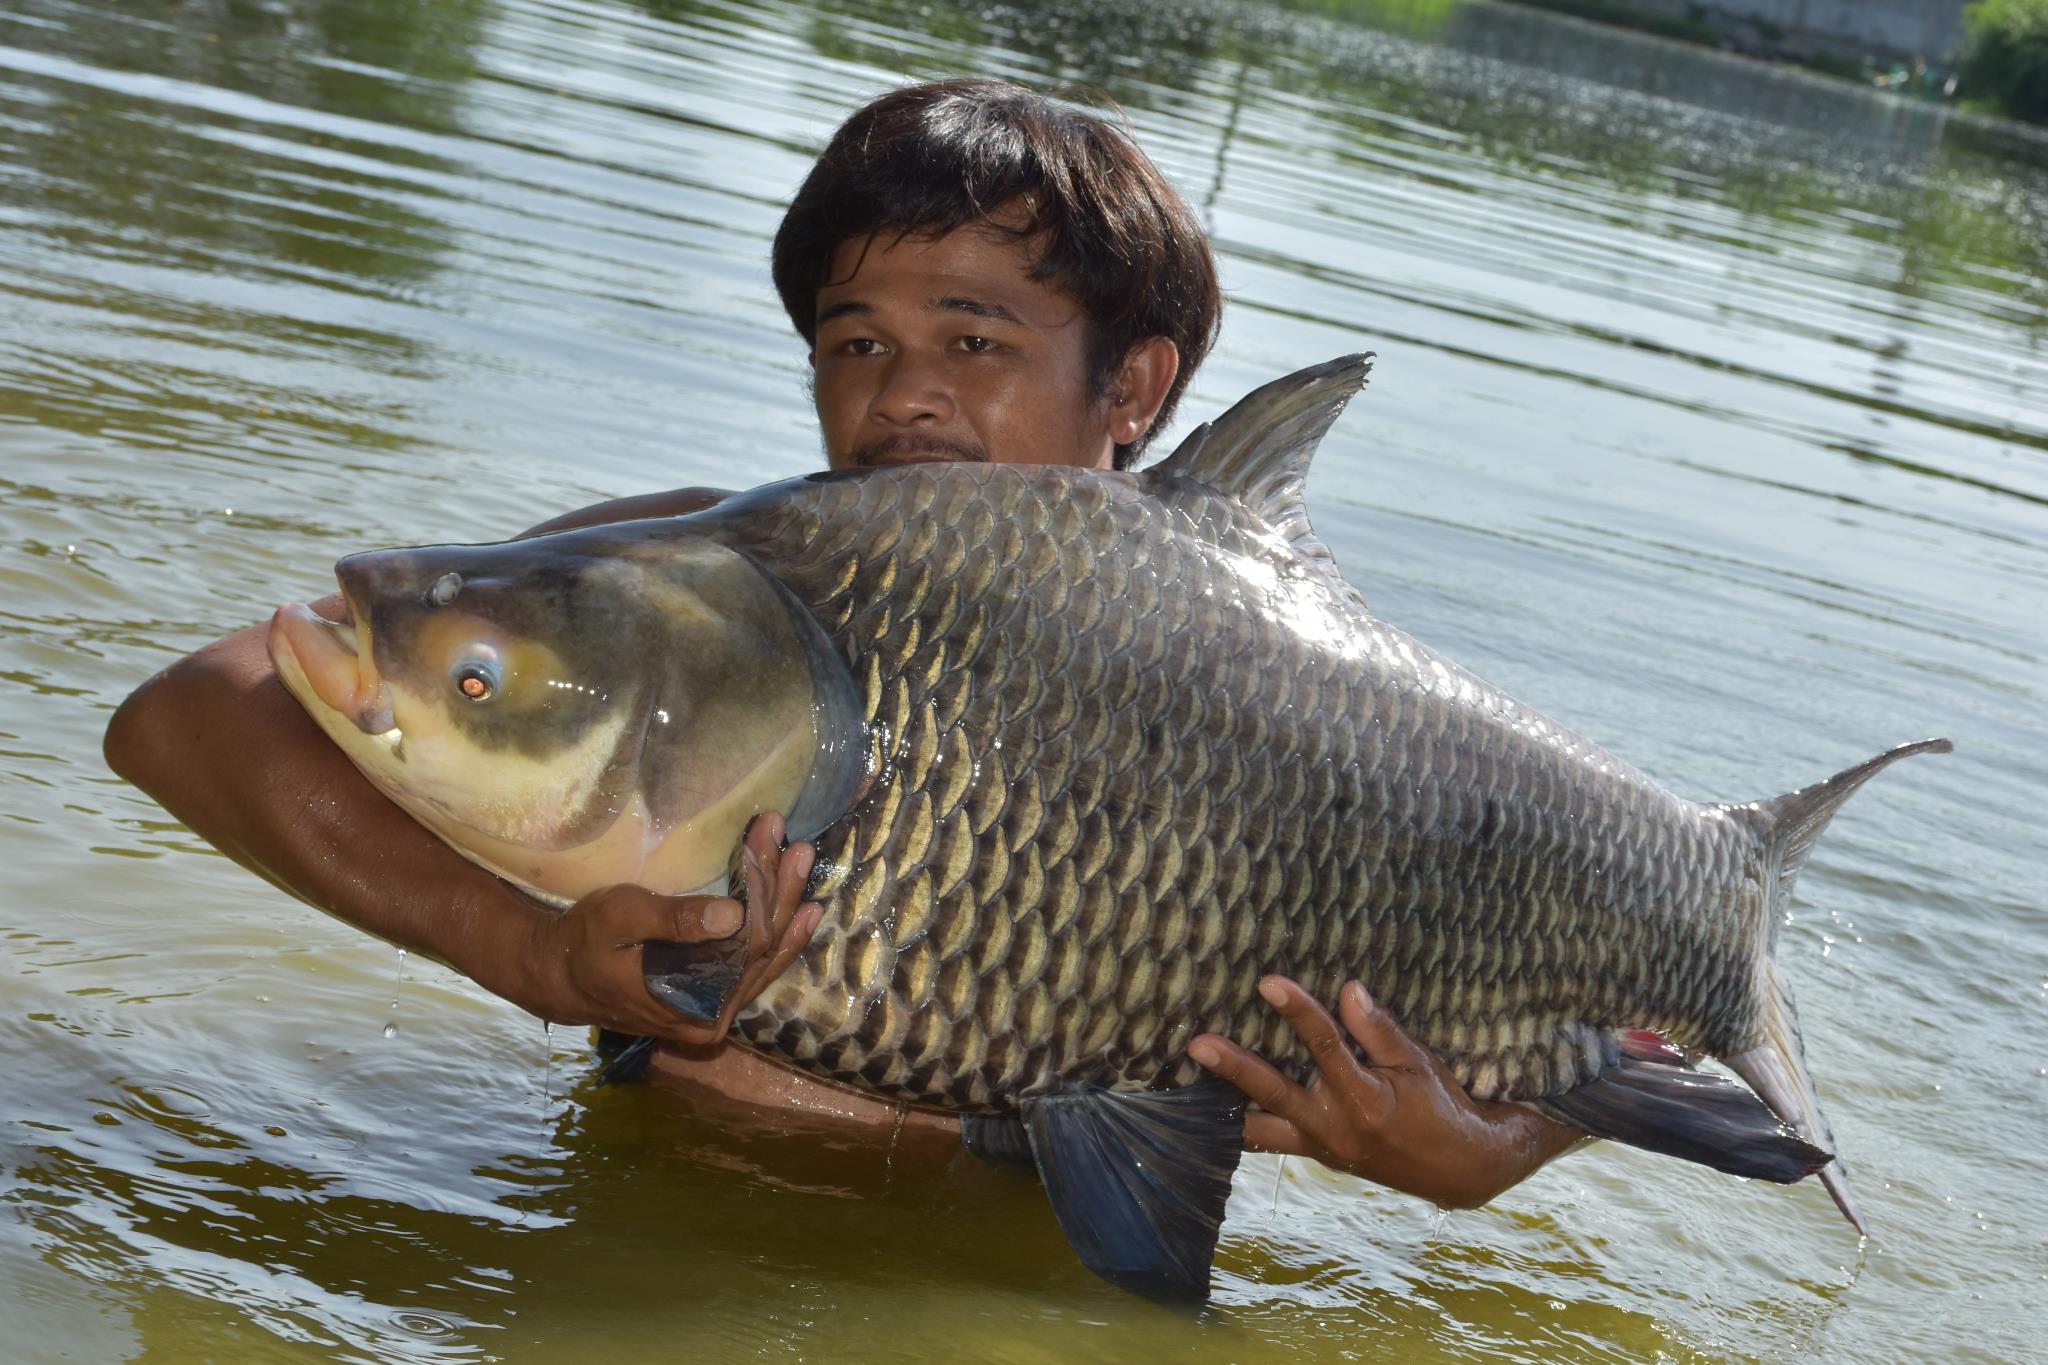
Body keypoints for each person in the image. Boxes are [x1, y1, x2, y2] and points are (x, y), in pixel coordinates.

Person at [104, 78, 1582, 1209]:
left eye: (975, 340)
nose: (902, 395)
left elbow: (1623, 988)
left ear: (1135, 386)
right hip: (648, 1215)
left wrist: (1492, 1149)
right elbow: (190, 712)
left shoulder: (1307, 708)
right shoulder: (714, 579)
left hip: (1017, 1280)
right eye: (855, 340)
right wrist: (530, 950)